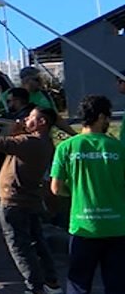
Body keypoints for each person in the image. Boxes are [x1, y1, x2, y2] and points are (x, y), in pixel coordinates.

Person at [0, 105, 61, 294]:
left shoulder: (30, 141)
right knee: (37, 243)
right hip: (29, 200)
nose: (25, 119)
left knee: (19, 246)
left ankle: (34, 287)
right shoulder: (43, 142)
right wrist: (15, 132)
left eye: (31, 117)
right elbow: (12, 147)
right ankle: (51, 283)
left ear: (42, 122)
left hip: (14, 202)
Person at [51, 95, 125, 294]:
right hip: (117, 225)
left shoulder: (66, 147)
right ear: (101, 117)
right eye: (108, 117)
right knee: (117, 284)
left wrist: (76, 191)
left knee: (79, 283)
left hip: (83, 226)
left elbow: (56, 188)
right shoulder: (118, 148)